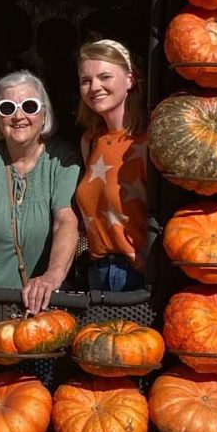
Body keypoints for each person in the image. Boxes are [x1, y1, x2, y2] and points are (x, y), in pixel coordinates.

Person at [0, 70, 81, 313]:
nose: (19, 116)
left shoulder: (62, 158)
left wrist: (51, 277)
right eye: (8, 108)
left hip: (41, 308)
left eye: (29, 106)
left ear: (44, 114)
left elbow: (66, 222)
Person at [75, 39, 148, 292]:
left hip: (136, 276)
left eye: (105, 76)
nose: (95, 87)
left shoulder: (149, 141)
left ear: (130, 79)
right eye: (86, 80)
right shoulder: (90, 141)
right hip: (98, 272)